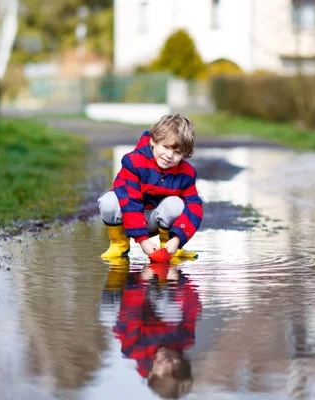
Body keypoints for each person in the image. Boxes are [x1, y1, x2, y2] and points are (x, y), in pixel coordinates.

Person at [98, 114, 203, 260]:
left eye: (177, 152)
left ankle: (169, 247)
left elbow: (194, 208)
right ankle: (119, 243)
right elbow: (130, 203)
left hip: (155, 219)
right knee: (108, 201)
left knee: (176, 204)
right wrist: (142, 240)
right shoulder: (133, 162)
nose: (169, 155)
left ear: (185, 154)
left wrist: (177, 239)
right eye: (165, 147)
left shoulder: (187, 174)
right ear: (153, 140)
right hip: (128, 216)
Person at [111, 263, 202, 399]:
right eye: (176, 365)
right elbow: (192, 306)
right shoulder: (184, 338)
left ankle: (116, 276)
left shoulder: (134, 349)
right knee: (172, 313)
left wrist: (141, 281)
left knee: (106, 314)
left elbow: (130, 313)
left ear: (151, 374)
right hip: (162, 291)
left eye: (165, 372)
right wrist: (178, 282)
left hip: (132, 289)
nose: (169, 363)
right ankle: (166, 270)